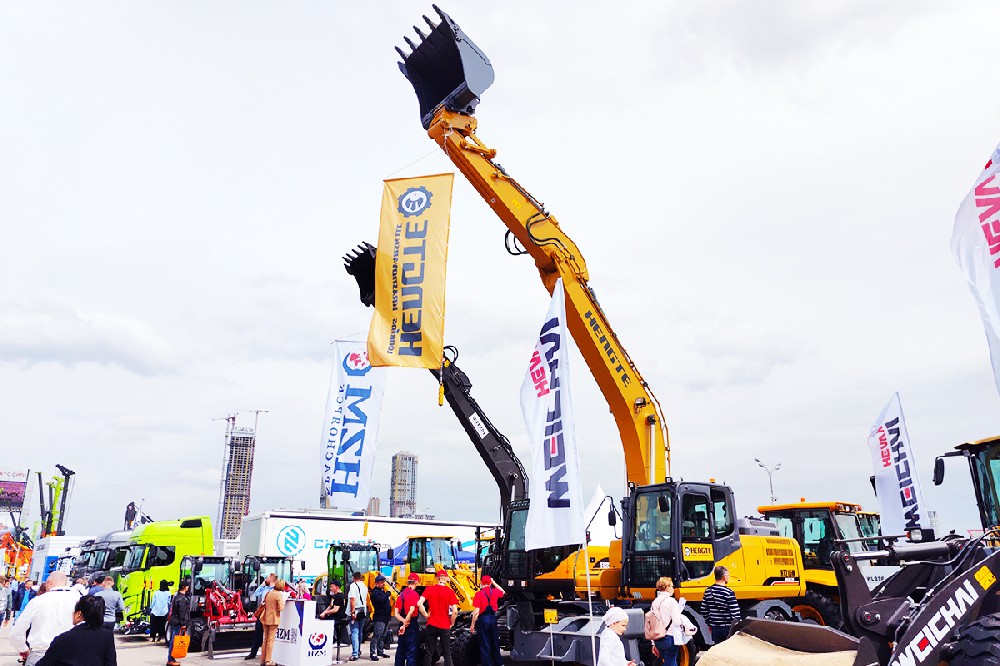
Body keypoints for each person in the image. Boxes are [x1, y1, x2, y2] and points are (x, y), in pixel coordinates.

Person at [9, 572, 80, 666]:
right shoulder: (79, 600)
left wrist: (23, 648)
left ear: (49, 582)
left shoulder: (38, 601)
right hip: (71, 655)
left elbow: (17, 631)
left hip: (40, 653)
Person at [36, 594, 116, 666]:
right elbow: (110, 663)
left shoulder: (63, 638)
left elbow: (45, 663)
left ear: (78, 614)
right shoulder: (107, 636)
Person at [418, 570, 458, 666]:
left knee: (428, 652)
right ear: (446, 578)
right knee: (447, 653)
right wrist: (451, 623)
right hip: (444, 625)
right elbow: (455, 611)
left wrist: (425, 614)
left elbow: (419, 603)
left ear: (437, 578)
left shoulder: (429, 589)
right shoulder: (450, 592)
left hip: (431, 623)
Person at [700, 566, 741, 644]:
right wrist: (738, 627)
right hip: (728, 629)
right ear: (724, 577)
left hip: (715, 628)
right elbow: (735, 614)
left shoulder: (708, 591)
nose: (728, 578)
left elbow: (703, 610)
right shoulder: (728, 593)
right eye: (728, 576)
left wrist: (709, 623)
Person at [469, 575, 504, 666]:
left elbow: (476, 611)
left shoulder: (479, 594)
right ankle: (499, 663)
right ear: (490, 583)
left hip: (483, 619)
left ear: (481, 583)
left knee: (485, 644)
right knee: (495, 642)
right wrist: (494, 583)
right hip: (493, 618)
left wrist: (472, 624)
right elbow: (503, 591)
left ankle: (487, 664)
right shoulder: (495, 592)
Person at [650, 577, 682, 666]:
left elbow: (652, 622)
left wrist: (653, 643)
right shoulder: (671, 601)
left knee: (669, 661)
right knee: (671, 661)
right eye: (672, 586)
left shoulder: (655, 602)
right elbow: (677, 621)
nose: (673, 588)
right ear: (667, 587)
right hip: (670, 636)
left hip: (658, 638)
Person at [245, 573, 276, 660]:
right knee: (258, 634)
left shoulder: (276, 590)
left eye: (268, 578)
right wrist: (262, 584)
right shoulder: (265, 588)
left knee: (268, 637)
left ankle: (267, 657)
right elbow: (256, 593)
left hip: (269, 614)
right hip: (262, 613)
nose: (266, 579)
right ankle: (253, 653)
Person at [393, 573, 421, 666]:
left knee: (401, 648)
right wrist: (406, 623)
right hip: (411, 624)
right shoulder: (414, 594)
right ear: (416, 582)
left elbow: (396, 613)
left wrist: (403, 622)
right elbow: (411, 610)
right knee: (411, 650)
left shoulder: (401, 595)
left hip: (401, 623)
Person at [260, 579, 287, 666]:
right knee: (270, 640)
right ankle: (268, 661)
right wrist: (283, 600)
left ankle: (262, 660)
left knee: (265, 640)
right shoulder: (279, 594)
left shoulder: (269, 592)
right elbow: (281, 608)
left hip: (265, 617)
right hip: (273, 619)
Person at [166, 581, 191, 666]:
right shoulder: (182, 598)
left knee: (173, 640)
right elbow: (182, 612)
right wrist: (183, 623)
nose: (188, 587)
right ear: (184, 587)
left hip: (174, 621)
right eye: (187, 586)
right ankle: (171, 659)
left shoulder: (176, 596)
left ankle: (171, 658)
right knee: (174, 641)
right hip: (178, 622)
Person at [347, 571, 369, 661]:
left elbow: (352, 599)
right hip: (363, 610)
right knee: (360, 632)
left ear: (353, 578)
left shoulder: (353, 586)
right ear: (360, 577)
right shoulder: (364, 586)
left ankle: (355, 654)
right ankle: (358, 650)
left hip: (355, 611)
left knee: (354, 632)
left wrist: (352, 612)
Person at [369, 575, 392, 661]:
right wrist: (388, 593)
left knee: (383, 636)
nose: (384, 584)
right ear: (377, 583)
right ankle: (372, 653)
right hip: (380, 618)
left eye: (384, 582)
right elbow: (381, 600)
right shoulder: (375, 593)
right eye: (382, 582)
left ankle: (380, 651)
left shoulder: (382, 591)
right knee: (377, 636)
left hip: (385, 617)